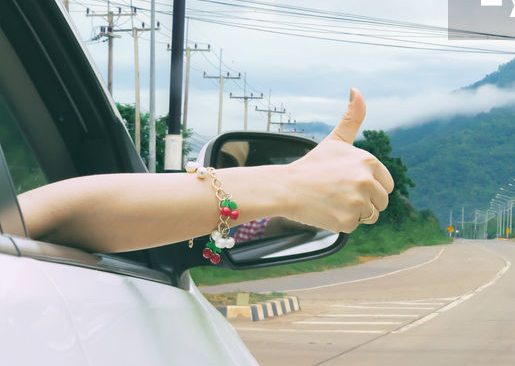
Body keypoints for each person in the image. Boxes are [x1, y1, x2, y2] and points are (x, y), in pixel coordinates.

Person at [17, 89, 392, 255]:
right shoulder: (244, 217)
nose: (236, 176)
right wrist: (289, 186)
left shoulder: (251, 223)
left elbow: (40, 217)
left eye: (240, 169)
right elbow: (48, 218)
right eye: (228, 169)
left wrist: (292, 202)